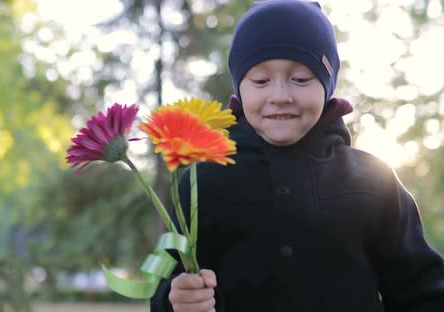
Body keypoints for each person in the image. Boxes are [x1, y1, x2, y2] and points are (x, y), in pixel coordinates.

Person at [150, 0, 444, 311]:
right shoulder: (203, 180)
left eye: (301, 79)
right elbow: (165, 284)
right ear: (239, 89)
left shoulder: (375, 180)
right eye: (261, 81)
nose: (280, 96)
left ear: (327, 86)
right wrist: (175, 299)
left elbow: (422, 290)